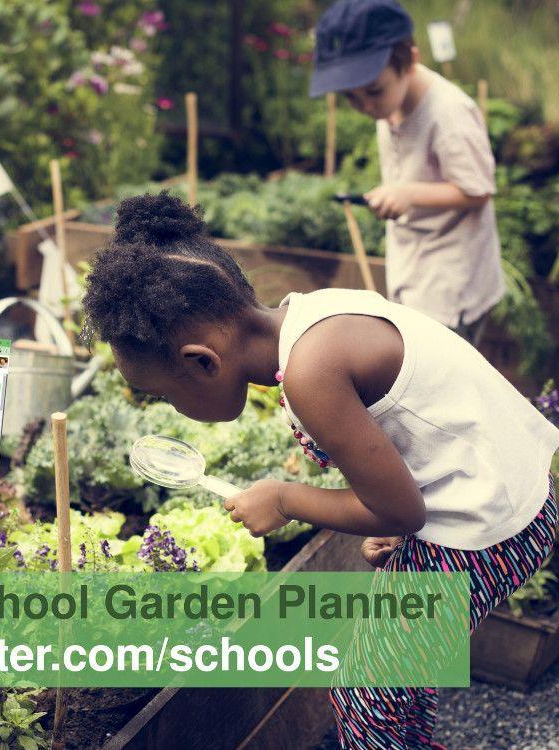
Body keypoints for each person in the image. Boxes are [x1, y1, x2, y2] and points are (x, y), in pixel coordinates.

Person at [81, 192, 558, 750]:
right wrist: (400, 525)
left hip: (490, 524)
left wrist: (286, 499)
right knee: (391, 673)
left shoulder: (310, 373)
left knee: (364, 692)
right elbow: (412, 439)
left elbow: (401, 507)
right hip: (501, 491)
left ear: (201, 362)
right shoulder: (309, 315)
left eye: (163, 396)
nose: (170, 408)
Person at [310, 0, 504, 346]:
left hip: (450, 283)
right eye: (351, 99)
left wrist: (408, 194)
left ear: (409, 61)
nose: (367, 107)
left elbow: (479, 190)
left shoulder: (449, 114)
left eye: (373, 92)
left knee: (440, 380)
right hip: (414, 266)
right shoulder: (391, 102)